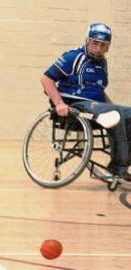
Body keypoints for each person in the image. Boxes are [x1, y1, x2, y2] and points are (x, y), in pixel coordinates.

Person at [41, 22, 131, 181]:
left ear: (108, 47)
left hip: (95, 106)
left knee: (127, 114)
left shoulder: (102, 64)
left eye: (103, 45)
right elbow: (46, 79)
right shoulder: (73, 57)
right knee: (115, 113)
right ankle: (119, 169)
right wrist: (59, 103)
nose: (98, 48)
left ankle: (120, 163)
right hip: (75, 105)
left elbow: (99, 92)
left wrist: (114, 109)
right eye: (95, 42)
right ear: (87, 41)